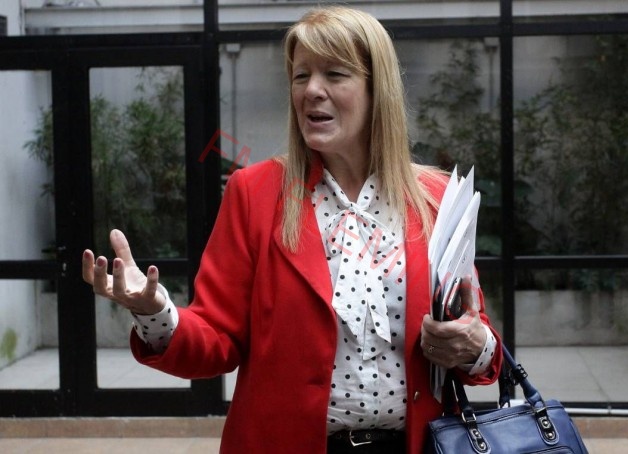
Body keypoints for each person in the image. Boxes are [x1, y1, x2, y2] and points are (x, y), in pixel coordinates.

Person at [81, 6, 502, 453]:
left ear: (377, 89)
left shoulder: (435, 198)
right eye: (301, 76)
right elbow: (217, 339)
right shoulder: (254, 193)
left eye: (334, 74)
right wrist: (154, 312)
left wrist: (474, 344)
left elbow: (476, 335)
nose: (312, 91)